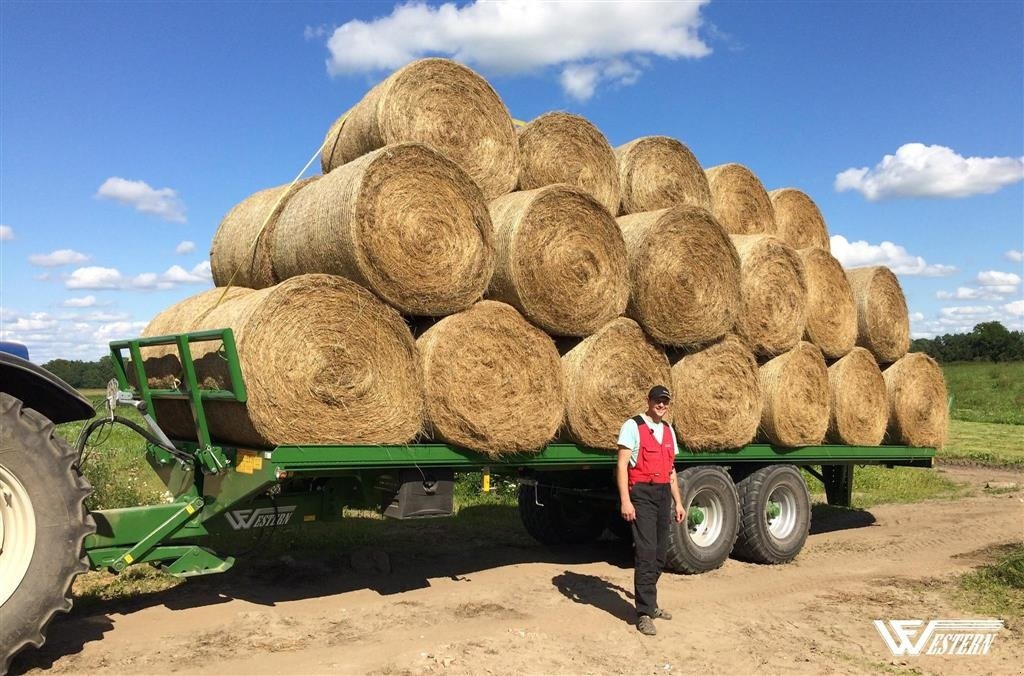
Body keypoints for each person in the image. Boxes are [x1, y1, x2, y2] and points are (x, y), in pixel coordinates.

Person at [616, 385, 685, 636]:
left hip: (664, 492)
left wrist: (678, 502)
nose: (661, 405)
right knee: (645, 552)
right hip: (642, 493)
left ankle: (650, 602)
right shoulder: (632, 426)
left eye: (665, 401)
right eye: (658, 400)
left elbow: (671, 470)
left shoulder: (668, 430)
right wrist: (626, 500)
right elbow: (622, 465)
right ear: (649, 400)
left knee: (660, 554)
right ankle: (644, 612)